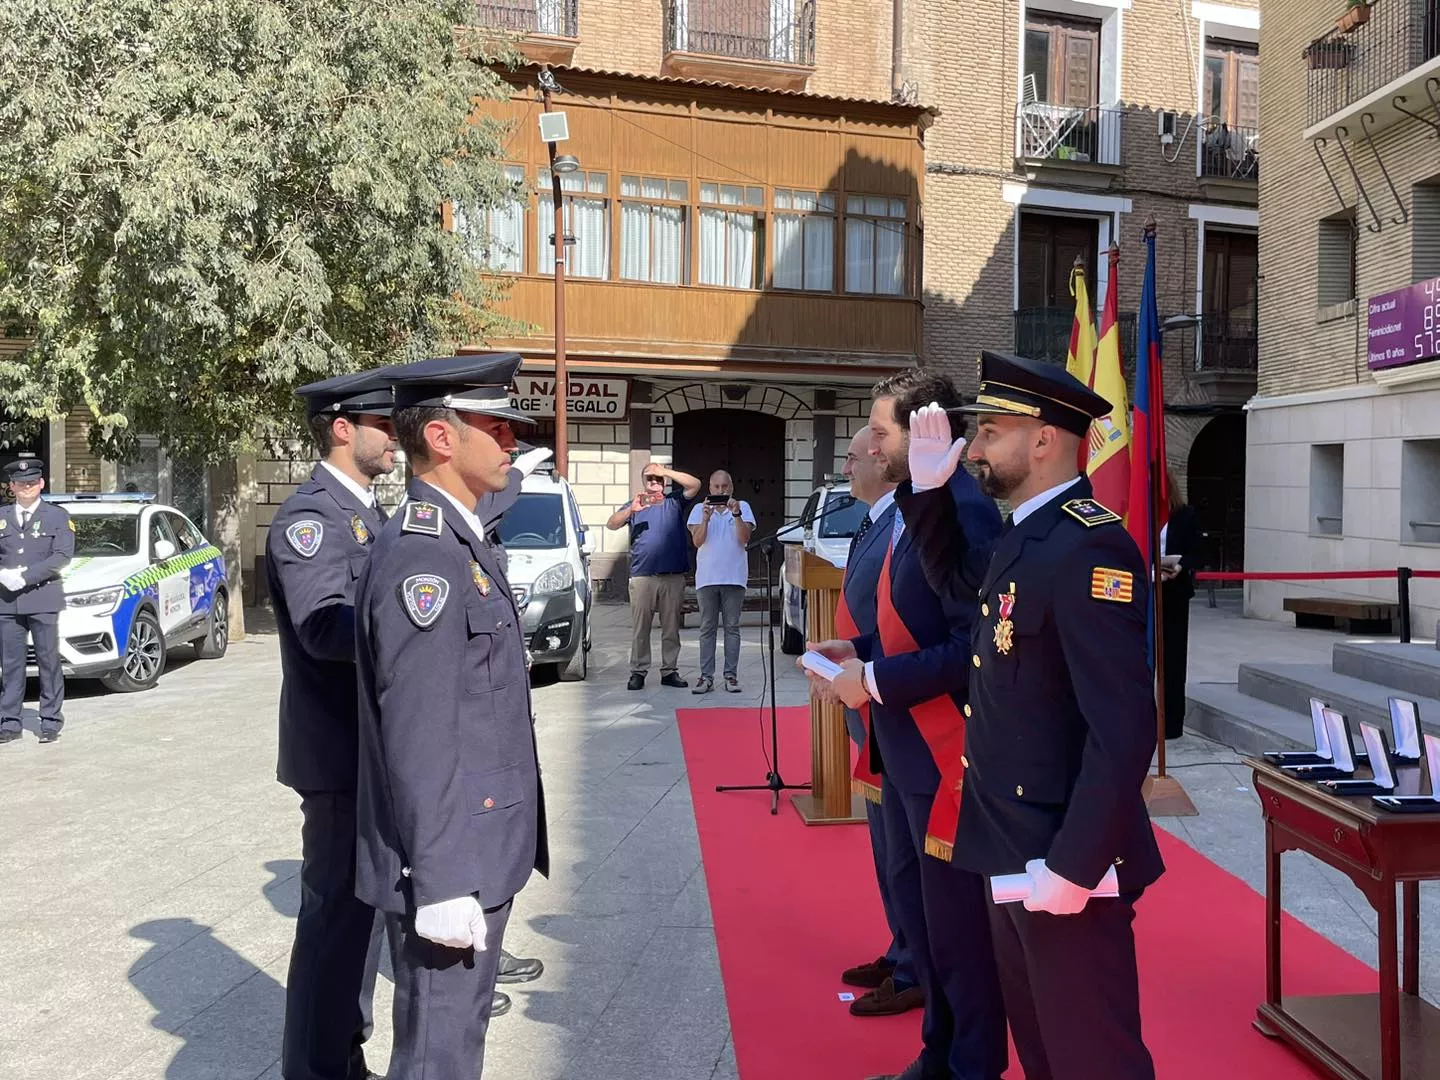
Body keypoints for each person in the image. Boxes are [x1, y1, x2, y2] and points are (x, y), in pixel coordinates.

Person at [897, 350, 1165, 1080]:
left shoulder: (1089, 545)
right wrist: (927, 493)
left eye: (991, 432)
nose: (976, 449)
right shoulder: (1027, 534)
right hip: (1010, 848)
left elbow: (1123, 729)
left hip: (1061, 859)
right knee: (1046, 1056)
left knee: (1094, 1058)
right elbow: (957, 581)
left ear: (1043, 440)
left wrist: (1075, 867)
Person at [354, 353, 548, 1080]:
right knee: (438, 1054)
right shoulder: (424, 559)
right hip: (452, 853)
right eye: (497, 427)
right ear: (441, 437)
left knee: (455, 1042)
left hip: (474, 839)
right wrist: (439, 880)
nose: (513, 442)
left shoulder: (456, 533)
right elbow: (419, 730)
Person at [808, 369, 1007, 1080]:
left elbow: (973, 645)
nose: (868, 438)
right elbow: (907, 626)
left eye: (880, 428)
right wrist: (854, 653)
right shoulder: (912, 503)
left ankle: (970, 1066)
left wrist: (877, 679)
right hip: (908, 752)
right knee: (928, 934)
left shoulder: (961, 508)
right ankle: (939, 1058)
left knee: (960, 940)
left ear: (925, 433)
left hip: (948, 757)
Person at [270, 369, 399, 1080]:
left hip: (369, 751)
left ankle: (343, 1055)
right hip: (339, 755)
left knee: (358, 928)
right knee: (332, 929)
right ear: (343, 428)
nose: (394, 437)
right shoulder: (311, 516)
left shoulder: (370, 513)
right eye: (383, 424)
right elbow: (324, 628)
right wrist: (415, 628)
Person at [832, 429, 922, 1019]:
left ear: (883, 464)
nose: (846, 463)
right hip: (865, 693)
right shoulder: (874, 518)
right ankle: (900, 948)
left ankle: (917, 966)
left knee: (903, 848)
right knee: (883, 842)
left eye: (853, 455)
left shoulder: (903, 521)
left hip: (893, 697)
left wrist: (865, 667)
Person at [605, 461, 702, 691]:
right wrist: (631, 511)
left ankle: (669, 671)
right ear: (643, 482)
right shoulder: (635, 504)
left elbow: (696, 484)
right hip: (642, 576)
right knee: (641, 629)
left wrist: (664, 471)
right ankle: (638, 671)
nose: (655, 482)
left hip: (672, 576)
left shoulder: (674, 501)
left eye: (658, 479)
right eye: (650, 478)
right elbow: (611, 524)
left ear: (665, 482)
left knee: (671, 628)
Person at [0, 456, 73, 745]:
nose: (26, 487)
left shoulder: (57, 516)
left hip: (43, 598)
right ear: (12, 486)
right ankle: (9, 722)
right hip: (6, 601)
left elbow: (62, 555)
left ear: (41, 484)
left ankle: (51, 720)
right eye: (21, 483)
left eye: (32, 482)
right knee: (11, 664)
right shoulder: (2, 516)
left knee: (48, 660)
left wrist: (26, 576)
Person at [687, 469, 754, 694]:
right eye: (716, 487)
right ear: (710, 488)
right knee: (707, 628)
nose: (721, 491)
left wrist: (735, 515)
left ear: (731, 487)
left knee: (732, 628)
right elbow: (697, 541)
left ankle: (731, 676)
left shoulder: (742, 506)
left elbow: (744, 538)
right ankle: (706, 677)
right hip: (707, 578)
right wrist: (705, 519)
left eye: (725, 487)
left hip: (734, 578)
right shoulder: (699, 509)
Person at [1160, 470, 1200, 740]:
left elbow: (1196, 550)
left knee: (1173, 661)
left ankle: (1172, 724)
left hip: (1173, 592)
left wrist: (1181, 565)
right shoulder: (1140, 514)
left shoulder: (1185, 515)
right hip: (1142, 590)